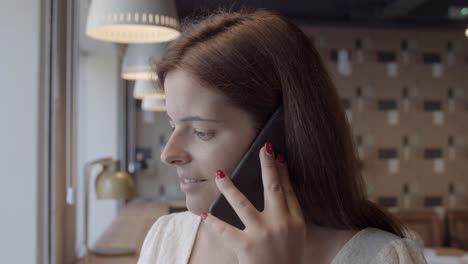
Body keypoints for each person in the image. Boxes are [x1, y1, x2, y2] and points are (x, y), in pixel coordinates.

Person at [138, 8, 427, 264]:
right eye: (172, 125)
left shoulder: (384, 258)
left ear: (281, 134)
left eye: (202, 131)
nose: (169, 153)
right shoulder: (167, 238)